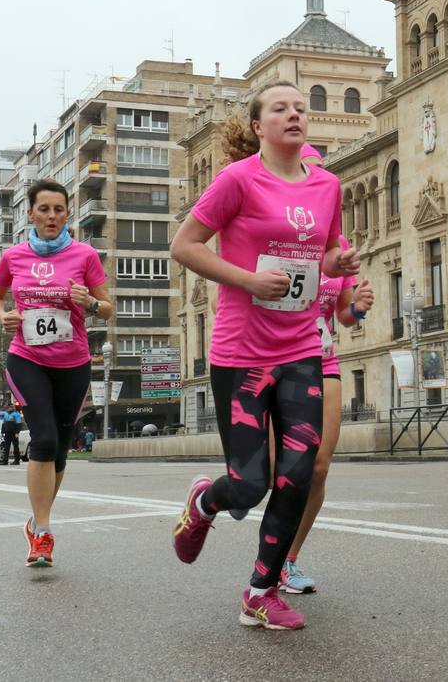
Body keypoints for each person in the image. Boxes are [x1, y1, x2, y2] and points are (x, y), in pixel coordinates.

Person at [169, 81, 356, 631]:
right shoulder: (237, 179)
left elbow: (327, 250)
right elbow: (185, 246)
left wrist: (340, 266)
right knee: (249, 484)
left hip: (301, 348)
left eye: (301, 108)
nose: (294, 114)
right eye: (281, 108)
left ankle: (260, 590)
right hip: (242, 353)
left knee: (297, 474)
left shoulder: (327, 184)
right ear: (259, 126)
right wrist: (249, 279)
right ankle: (205, 502)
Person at [0, 179, 114, 567]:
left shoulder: (85, 255)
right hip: (27, 359)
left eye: (59, 209)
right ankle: (43, 531)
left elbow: (108, 307)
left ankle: (36, 520)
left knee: (58, 451)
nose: (52, 216)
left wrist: (90, 302)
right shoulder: (14, 256)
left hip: (73, 363)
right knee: (41, 440)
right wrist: (2, 316)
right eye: (44, 209)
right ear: (31, 213)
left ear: (67, 213)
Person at [278, 144, 375, 596]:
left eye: (321, 183)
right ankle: (268, 547)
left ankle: (288, 560)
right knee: (277, 470)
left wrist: (358, 307)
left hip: (322, 358)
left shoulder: (341, 248)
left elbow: (344, 315)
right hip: (272, 359)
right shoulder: (275, 239)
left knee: (317, 467)